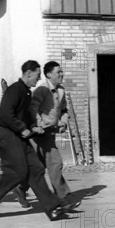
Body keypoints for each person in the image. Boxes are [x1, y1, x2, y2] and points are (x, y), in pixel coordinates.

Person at [0, 60, 79, 222]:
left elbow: (26, 115)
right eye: (37, 75)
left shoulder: (26, 92)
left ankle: (53, 208)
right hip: (8, 135)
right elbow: (4, 115)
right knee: (18, 172)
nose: (38, 78)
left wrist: (34, 126)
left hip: (20, 136)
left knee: (36, 169)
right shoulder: (15, 89)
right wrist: (23, 128)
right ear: (29, 73)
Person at [29, 61, 80, 206]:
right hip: (37, 136)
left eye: (62, 71)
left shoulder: (61, 91)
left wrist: (63, 122)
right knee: (40, 166)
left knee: (53, 164)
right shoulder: (41, 90)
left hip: (49, 134)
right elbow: (33, 110)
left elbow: (64, 110)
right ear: (48, 74)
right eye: (58, 72)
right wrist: (39, 125)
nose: (62, 74)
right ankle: (21, 189)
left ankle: (62, 197)